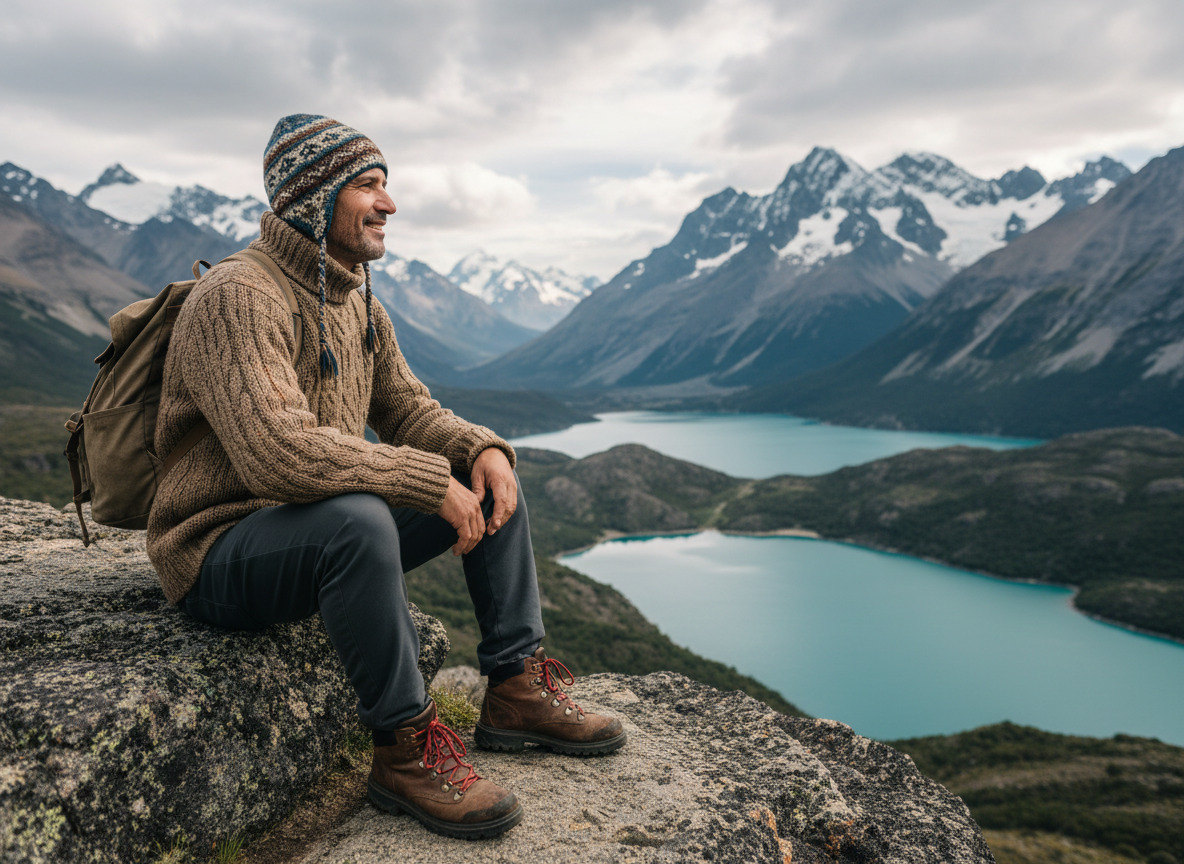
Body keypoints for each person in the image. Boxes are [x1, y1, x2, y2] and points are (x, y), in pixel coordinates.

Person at [146, 113, 625, 840]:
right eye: (368, 186)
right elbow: (278, 451)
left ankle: (517, 689)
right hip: (220, 549)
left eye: (385, 185)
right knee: (364, 514)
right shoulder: (239, 297)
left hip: (313, 534)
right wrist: (423, 483)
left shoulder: (356, 297)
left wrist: (480, 448)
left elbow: (408, 410)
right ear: (315, 196)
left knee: (481, 467)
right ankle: (404, 752)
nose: (389, 204)